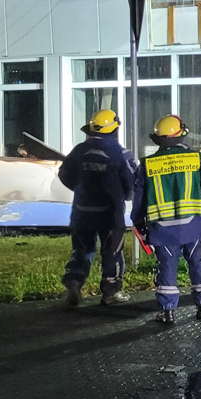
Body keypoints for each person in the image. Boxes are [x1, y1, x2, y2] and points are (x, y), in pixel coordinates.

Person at [132, 115, 201, 324]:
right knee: (198, 262)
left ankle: (168, 311)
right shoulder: (197, 159)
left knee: (167, 267)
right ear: (181, 134)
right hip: (194, 226)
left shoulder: (146, 164)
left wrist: (138, 221)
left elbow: (139, 197)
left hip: (162, 229)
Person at [59, 109, 136, 307]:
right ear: (114, 129)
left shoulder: (79, 151)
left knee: (82, 249)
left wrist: (80, 189)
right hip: (110, 214)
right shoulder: (121, 154)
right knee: (112, 252)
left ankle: (74, 281)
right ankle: (111, 292)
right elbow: (132, 181)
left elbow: (64, 174)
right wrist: (124, 196)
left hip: (82, 212)